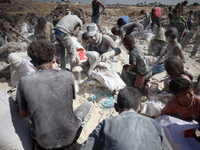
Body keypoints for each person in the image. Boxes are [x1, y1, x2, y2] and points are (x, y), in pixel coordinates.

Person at [16, 39, 92, 149]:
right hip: (70, 137)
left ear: (32, 63)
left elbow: (23, 114)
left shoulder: (24, 82)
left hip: (44, 143)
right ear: (54, 58)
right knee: (87, 106)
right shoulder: (68, 76)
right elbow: (69, 101)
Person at [80, 87, 172, 150]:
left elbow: (85, 148)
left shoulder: (106, 124)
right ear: (140, 108)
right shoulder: (154, 124)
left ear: (116, 107)